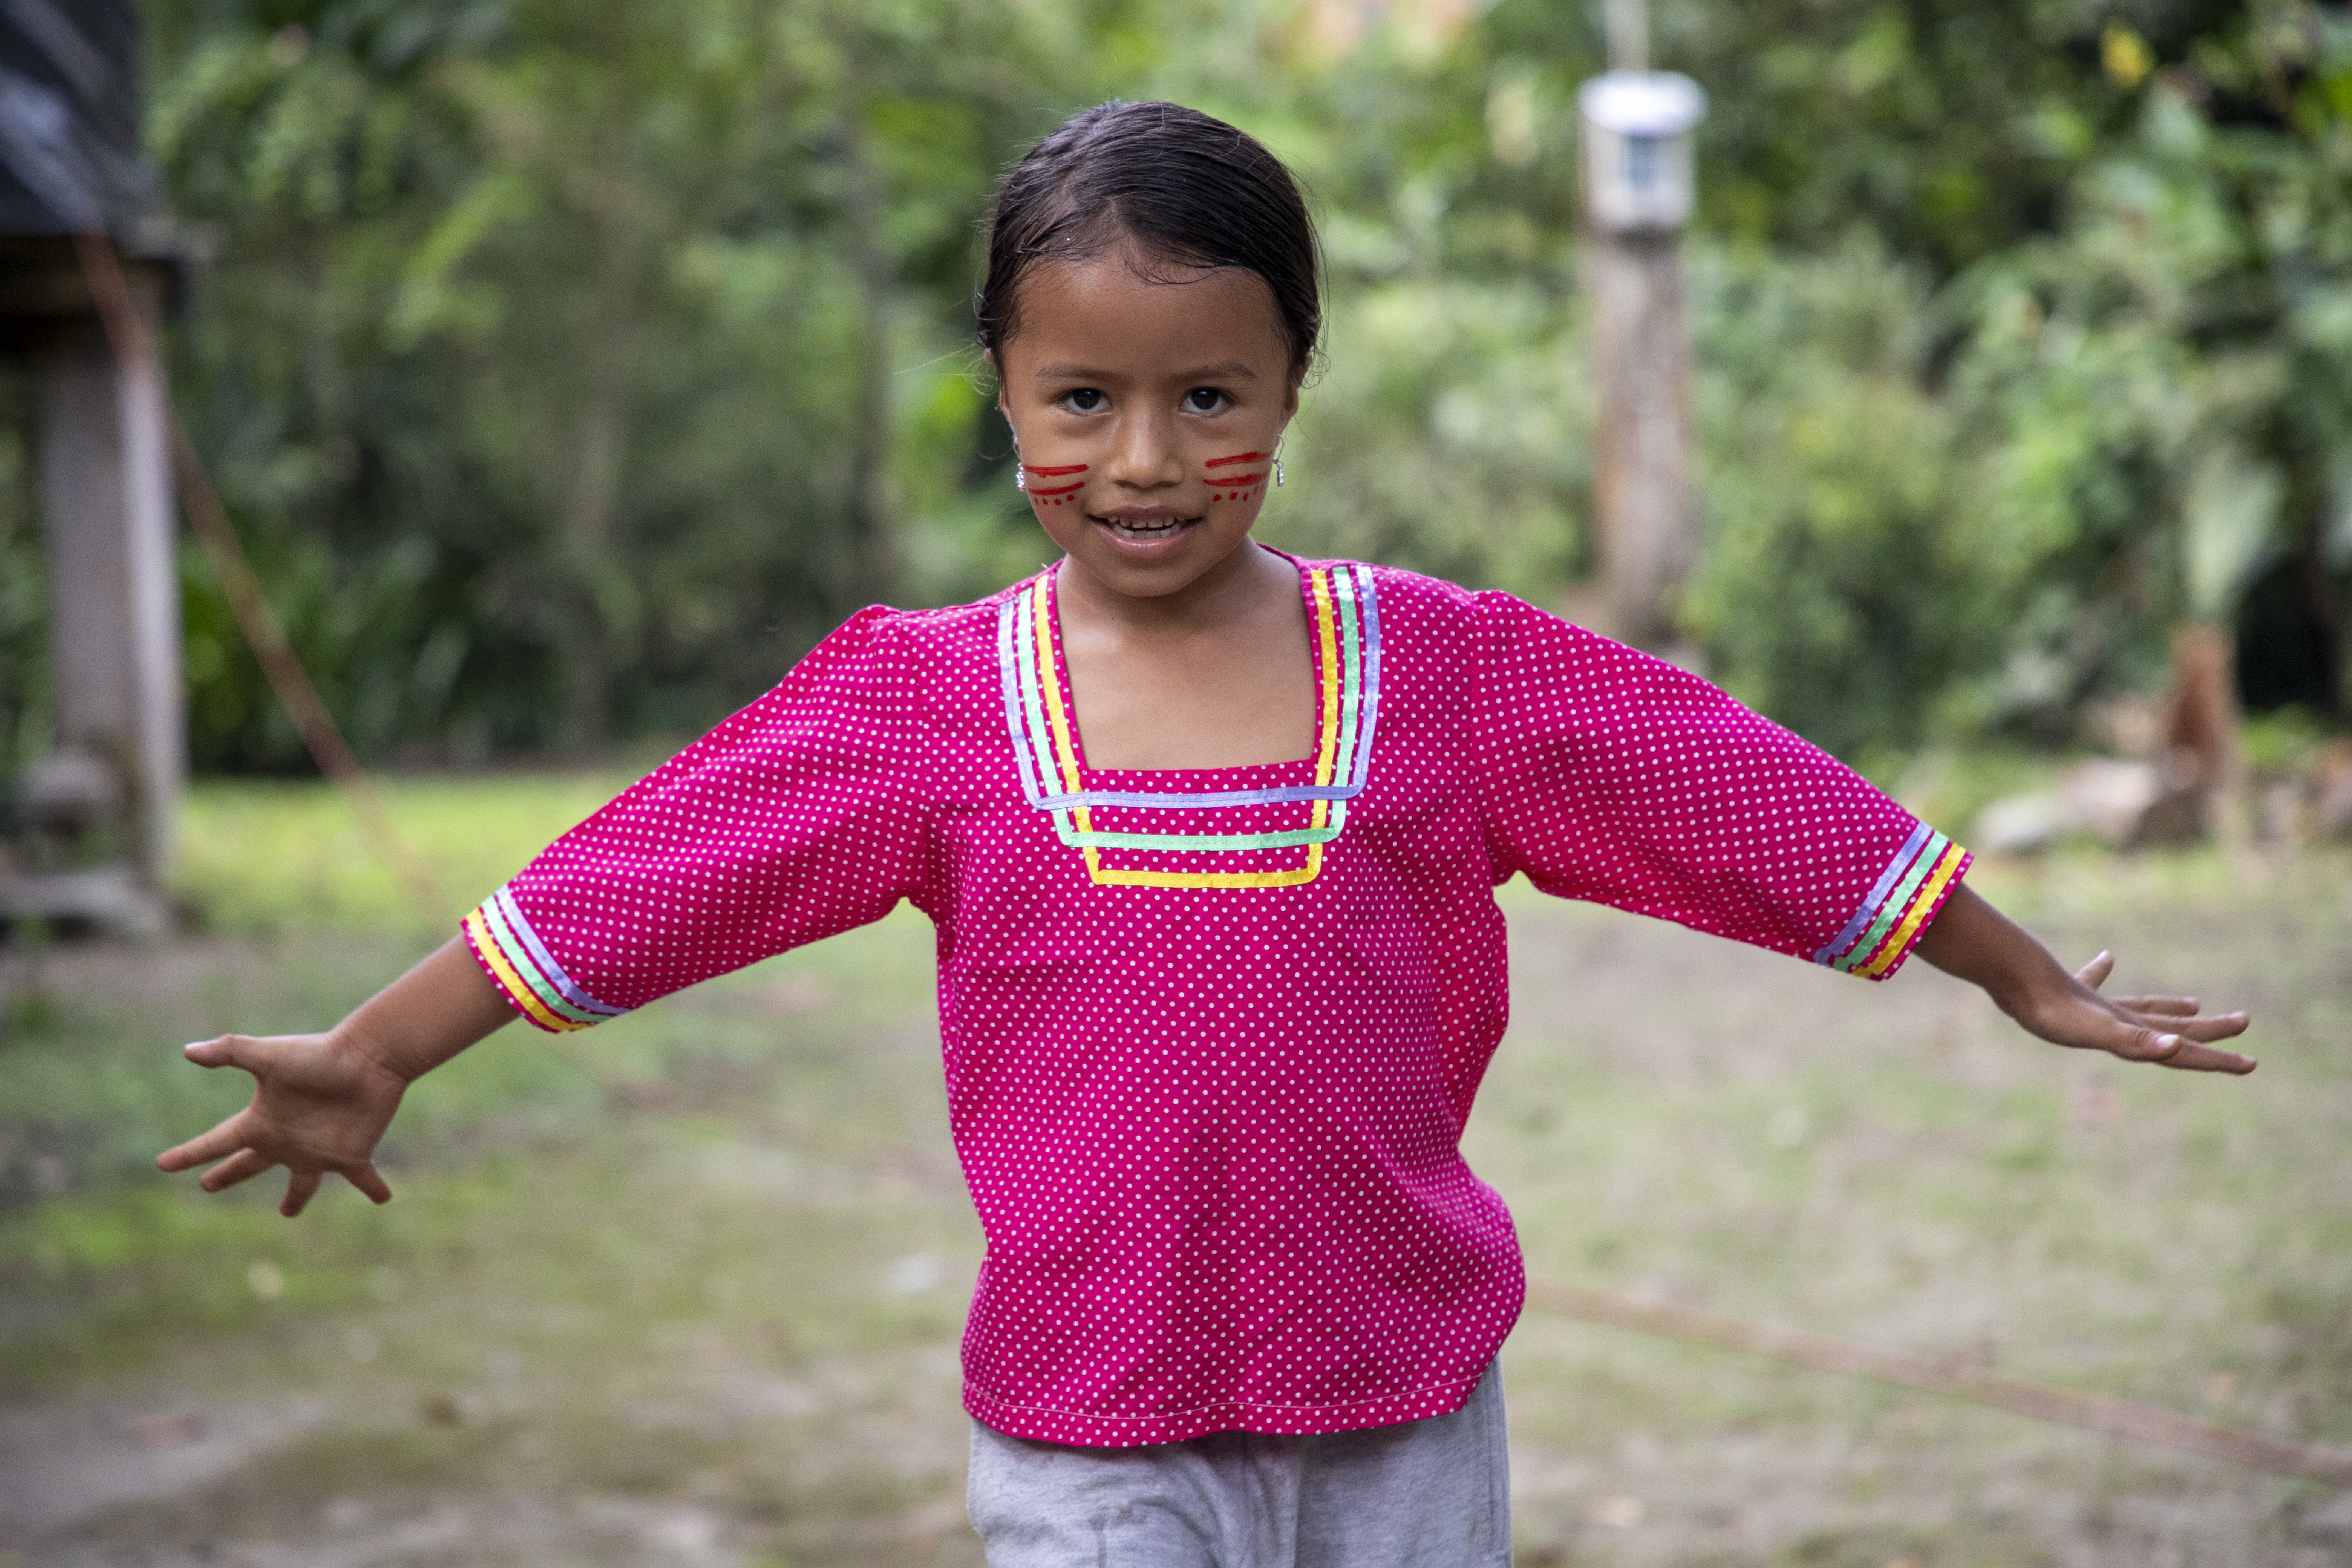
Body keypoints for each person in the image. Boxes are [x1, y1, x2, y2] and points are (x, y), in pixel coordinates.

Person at [158, 100, 2253, 1568]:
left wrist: (2017, 971)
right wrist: (380, 1049)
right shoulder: (925, 698)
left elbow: (1729, 794)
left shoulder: (1441, 671)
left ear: (1292, 385)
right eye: (1083, 400)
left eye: (1209, 398)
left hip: (1403, 1414)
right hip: (1084, 1429)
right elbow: (647, 875)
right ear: (1002, 390)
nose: (1146, 460)